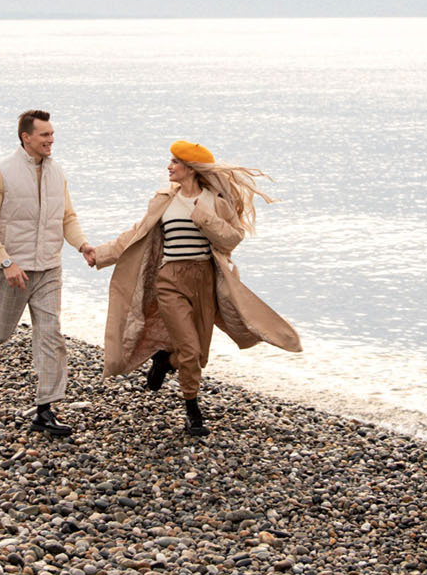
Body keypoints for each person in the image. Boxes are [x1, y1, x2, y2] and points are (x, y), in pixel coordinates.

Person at [90, 139, 299, 436]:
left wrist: (204, 218)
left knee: (198, 355)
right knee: (189, 348)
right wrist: (100, 255)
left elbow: (231, 239)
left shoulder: (215, 203)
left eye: (175, 162)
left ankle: (164, 360)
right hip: (170, 281)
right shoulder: (164, 200)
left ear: (190, 168)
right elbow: (136, 234)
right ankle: (192, 411)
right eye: (171, 161)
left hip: (204, 282)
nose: (169, 167)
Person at [0, 109, 97, 437]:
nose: (51, 140)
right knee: (0, 333)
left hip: (49, 268)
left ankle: (45, 410)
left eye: (52, 134)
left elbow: (67, 217)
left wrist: (82, 245)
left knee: (51, 335)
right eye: (45, 135)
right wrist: (5, 261)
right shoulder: (1, 173)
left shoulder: (57, 173)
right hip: (12, 270)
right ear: (27, 137)